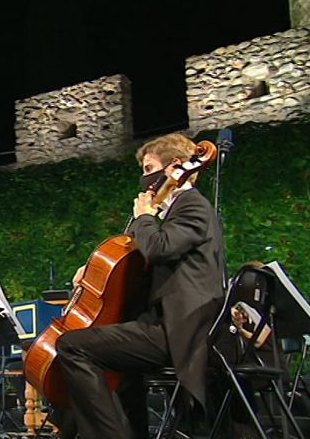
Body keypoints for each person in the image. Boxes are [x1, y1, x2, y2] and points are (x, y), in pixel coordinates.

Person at [54, 132, 225, 439]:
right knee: (120, 367)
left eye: (148, 168)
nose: (144, 179)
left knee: (72, 346)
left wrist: (144, 217)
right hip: (163, 325)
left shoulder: (192, 206)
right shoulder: (174, 212)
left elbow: (159, 248)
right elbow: (142, 262)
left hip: (180, 331)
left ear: (174, 166)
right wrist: (92, 270)